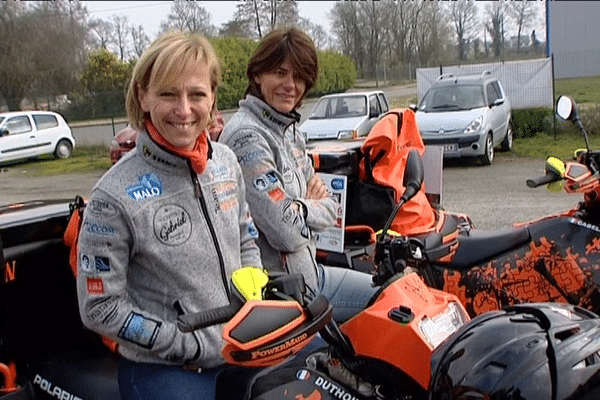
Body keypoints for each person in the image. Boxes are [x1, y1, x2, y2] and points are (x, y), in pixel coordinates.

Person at [76, 31, 262, 399]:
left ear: (212, 97)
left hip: (239, 345)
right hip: (164, 367)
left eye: (196, 94)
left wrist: (255, 291)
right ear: (143, 97)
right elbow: (99, 308)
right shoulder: (112, 196)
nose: (183, 109)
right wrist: (186, 344)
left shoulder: (225, 162)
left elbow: (245, 237)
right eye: (167, 94)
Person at [219, 27, 377, 325]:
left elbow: (331, 208)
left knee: (390, 298)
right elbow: (286, 232)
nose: (290, 85)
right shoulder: (247, 137)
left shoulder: (288, 130)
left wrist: (299, 207)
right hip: (283, 300)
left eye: (299, 77)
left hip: (311, 277)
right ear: (257, 75)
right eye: (280, 73)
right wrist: (306, 204)